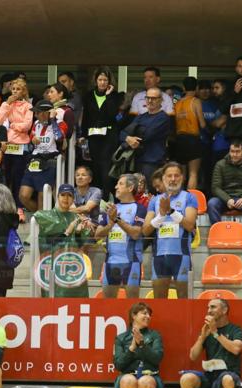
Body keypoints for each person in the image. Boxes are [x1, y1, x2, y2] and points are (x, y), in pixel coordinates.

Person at [179, 298, 242, 388]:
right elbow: (193, 356)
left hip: (227, 374)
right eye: (208, 307)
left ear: (224, 310)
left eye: (213, 307)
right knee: (186, 379)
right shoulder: (207, 331)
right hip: (209, 376)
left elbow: (236, 349)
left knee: (228, 380)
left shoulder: (235, 329)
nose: (209, 310)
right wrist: (202, 337)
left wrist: (216, 333)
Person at [143, 162, 198, 299]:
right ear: (163, 178)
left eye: (176, 176)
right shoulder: (155, 201)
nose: (173, 179)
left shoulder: (189, 197)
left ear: (182, 178)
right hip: (159, 257)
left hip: (181, 256)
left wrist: (171, 211)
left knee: (184, 302)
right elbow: (145, 230)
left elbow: (190, 225)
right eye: (169, 176)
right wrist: (161, 216)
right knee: (160, 302)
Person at [34, 184, 94, 298]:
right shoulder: (46, 215)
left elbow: (81, 245)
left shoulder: (78, 218)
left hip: (74, 269)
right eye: (63, 195)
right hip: (54, 269)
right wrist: (68, 230)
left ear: (73, 199)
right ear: (57, 196)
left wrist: (76, 232)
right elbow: (50, 241)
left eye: (69, 195)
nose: (66, 198)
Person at [95, 174, 147, 298]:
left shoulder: (140, 209)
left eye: (120, 184)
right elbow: (97, 235)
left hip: (131, 263)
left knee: (132, 305)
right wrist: (111, 224)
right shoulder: (110, 209)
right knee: (108, 306)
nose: (116, 187)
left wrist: (117, 219)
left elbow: (135, 234)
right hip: (110, 262)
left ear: (130, 188)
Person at [79, 67, 121, 200]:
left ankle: (106, 197)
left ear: (109, 81)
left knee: (106, 167)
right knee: (95, 166)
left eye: (105, 80)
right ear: (96, 81)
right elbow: (86, 117)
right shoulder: (89, 95)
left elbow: (113, 114)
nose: (102, 82)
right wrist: (82, 135)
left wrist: (108, 96)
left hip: (108, 136)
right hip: (93, 137)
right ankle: (95, 199)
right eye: (100, 79)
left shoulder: (115, 96)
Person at [113, 302, 163, 388]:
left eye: (149, 314)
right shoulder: (121, 338)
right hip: (128, 376)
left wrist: (142, 344)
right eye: (144, 313)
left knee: (145, 382)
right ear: (134, 316)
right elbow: (119, 365)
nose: (148, 317)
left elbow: (157, 358)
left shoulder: (155, 335)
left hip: (151, 377)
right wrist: (131, 348)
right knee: (128, 381)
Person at [0, 78, 33, 221]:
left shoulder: (28, 106)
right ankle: (6, 208)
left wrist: (12, 126)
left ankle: (19, 209)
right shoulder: (8, 104)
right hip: (7, 146)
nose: (15, 91)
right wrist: (6, 104)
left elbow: (27, 126)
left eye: (18, 89)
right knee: (6, 177)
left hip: (21, 146)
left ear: (23, 91)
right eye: (13, 89)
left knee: (18, 178)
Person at [19, 100, 66, 212]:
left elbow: (59, 137)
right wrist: (32, 139)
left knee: (43, 195)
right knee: (23, 196)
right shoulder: (36, 124)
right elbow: (32, 136)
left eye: (38, 112)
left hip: (50, 160)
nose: (35, 115)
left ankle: (41, 223)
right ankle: (41, 217)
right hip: (35, 160)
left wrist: (53, 120)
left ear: (47, 113)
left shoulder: (60, 123)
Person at [120, 87, 171, 187]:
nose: (150, 101)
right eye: (147, 98)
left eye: (154, 98)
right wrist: (128, 138)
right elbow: (122, 133)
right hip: (136, 160)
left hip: (152, 162)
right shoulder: (141, 117)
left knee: (149, 193)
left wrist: (132, 134)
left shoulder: (164, 118)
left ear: (161, 100)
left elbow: (146, 135)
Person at [208, 139, 242, 224]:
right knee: (212, 203)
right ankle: (218, 231)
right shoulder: (220, 165)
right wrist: (227, 199)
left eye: (238, 152)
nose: (234, 154)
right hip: (224, 199)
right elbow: (215, 187)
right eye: (232, 151)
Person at [174, 76, 206, 190]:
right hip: (192, 139)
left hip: (179, 140)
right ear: (196, 88)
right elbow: (202, 124)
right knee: (193, 173)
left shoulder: (177, 104)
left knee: (182, 174)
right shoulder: (195, 101)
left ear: (183, 87)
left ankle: (179, 200)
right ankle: (191, 200)